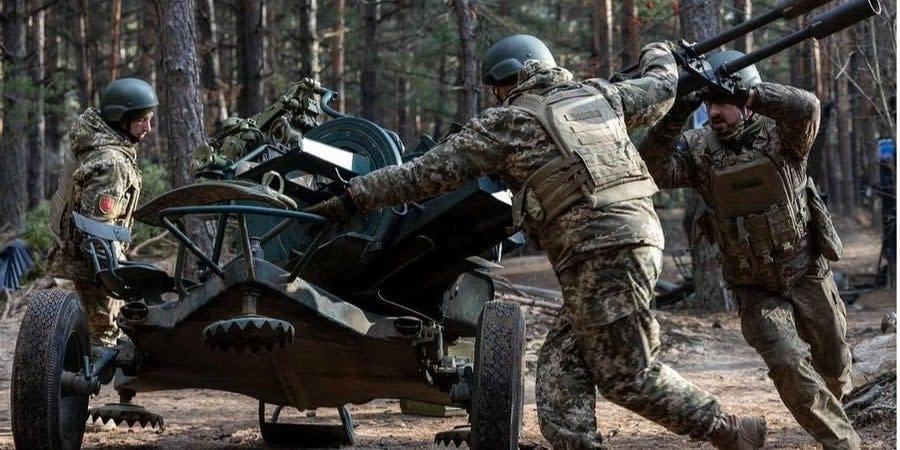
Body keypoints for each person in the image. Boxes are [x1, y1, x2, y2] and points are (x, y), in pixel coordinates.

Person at [307, 35, 765, 449]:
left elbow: (420, 176)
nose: (497, 96)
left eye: (497, 87)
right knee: (561, 365)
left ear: (507, 83)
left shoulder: (505, 124)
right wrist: (661, 51)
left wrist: (350, 198)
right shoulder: (599, 94)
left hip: (599, 251)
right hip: (627, 241)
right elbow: (662, 88)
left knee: (627, 375)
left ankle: (731, 430)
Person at [637, 49, 860, 450]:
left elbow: (807, 106)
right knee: (789, 364)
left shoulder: (783, 136)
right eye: (709, 104)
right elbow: (653, 167)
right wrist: (675, 113)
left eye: (722, 102)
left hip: (807, 271)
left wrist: (749, 95)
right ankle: (844, 443)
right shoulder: (699, 149)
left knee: (836, 367)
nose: (714, 112)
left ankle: (830, 413)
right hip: (755, 288)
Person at [48, 77, 158, 348]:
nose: (149, 128)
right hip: (97, 268)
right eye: (142, 120)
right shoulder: (111, 163)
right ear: (122, 118)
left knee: (93, 336)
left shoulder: (97, 146)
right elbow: (96, 231)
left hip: (95, 261)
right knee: (104, 344)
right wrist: (114, 279)